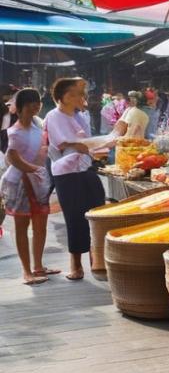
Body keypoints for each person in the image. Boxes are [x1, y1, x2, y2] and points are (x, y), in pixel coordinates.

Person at [44, 77, 106, 281]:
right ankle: (76, 265)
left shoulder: (80, 116)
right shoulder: (54, 116)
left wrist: (100, 145)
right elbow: (63, 144)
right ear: (66, 96)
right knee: (75, 218)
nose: (83, 97)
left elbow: (87, 142)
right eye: (79, 93)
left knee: (98, 213)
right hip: (66, 172)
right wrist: (87, 145)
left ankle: (97, 261)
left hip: (86, 168)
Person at [3, 89, 57, 284]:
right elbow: (12, 157)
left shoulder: (39, 127)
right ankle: (27, 270)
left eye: (38, 101)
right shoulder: (14, 131)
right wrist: (34, 169)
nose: (36, 105)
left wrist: (39, 172)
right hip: (20, 184)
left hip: (38, 182)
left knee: (40, 226)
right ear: (21, 107)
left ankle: (39, 266)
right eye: (32, 102)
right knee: (22, 227)